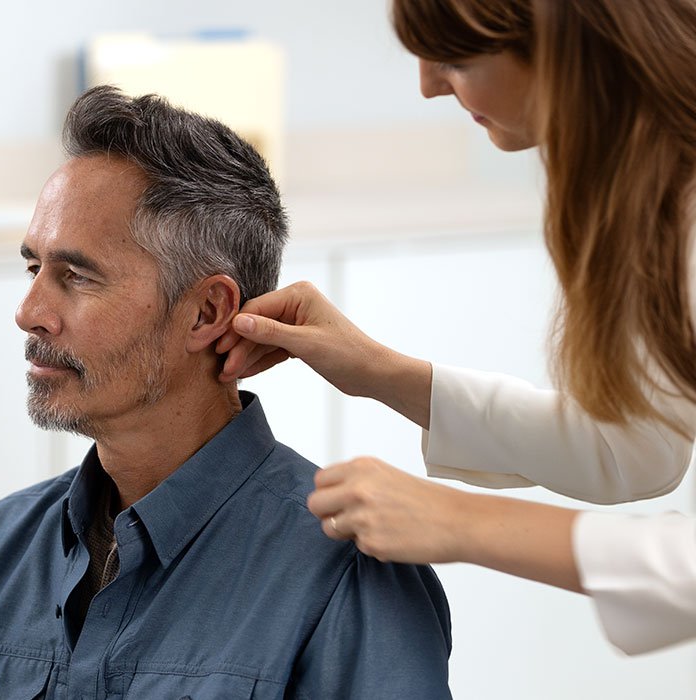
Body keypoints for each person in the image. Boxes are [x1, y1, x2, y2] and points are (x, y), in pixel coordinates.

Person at [0, 86, 452, 699]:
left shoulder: (347, 574)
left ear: (207, 312)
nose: (30, 312)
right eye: (32, 269)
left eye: (77, 276)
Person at [218, 0, 696, 656]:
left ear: (570, 43)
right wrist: (384, 374)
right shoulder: (652, 192)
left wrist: (463, 521)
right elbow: (636, 448)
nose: (428, 85)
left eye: (455, 58)